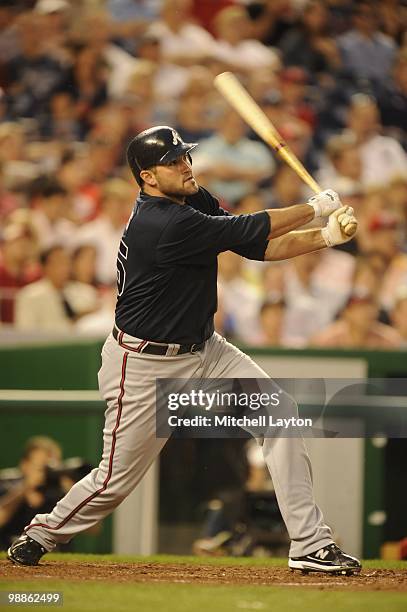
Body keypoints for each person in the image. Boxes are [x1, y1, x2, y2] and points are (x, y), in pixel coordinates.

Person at [8, 126, 361, 575]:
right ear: (148, 178)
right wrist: (315, 208)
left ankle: (310, 545)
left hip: (205, 349)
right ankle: (42, 533)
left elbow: (256, 246)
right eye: (173, 161)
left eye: (184, 157)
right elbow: (251, 226)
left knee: (281, 415)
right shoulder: (161, 222)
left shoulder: (188, 200)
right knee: (115, 480)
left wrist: (325, 236)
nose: (185, 165)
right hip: (145, 363)